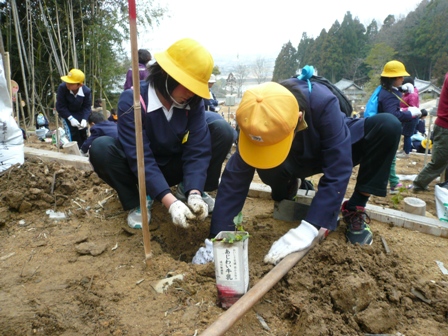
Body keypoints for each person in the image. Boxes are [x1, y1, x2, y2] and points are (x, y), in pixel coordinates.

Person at [192, 79, 402, 265]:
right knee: (277, 186)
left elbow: (338, 167)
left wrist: (310, 227)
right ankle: (288, 187)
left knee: (388, 126)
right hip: (289, 159)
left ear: (299, 118)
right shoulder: (256, 113)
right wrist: (217, 236)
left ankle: (355, 207)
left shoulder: (322, 102)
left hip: (324, 146)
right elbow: (234, 177)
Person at [89, 38, 235, 229]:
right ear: (167, 75)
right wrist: (170, 203)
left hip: (174, 164)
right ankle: (139, 200)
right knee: (101, 148)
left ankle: (186, 189)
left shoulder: (193, 103)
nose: (191, 93)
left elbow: (197, 148)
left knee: (221, 129)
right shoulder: (133, 101)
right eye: (187, 85)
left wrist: (195, 191)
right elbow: (140, 156)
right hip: (139, 169)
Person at [376, 60, 421, 194]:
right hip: (386, 131)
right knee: (390, 157)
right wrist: (410, 114)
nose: (402, 79)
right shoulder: (389, 95)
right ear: (392, 78)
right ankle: (393, 184)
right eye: (400, 77)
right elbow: (392, 114)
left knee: (386, 157)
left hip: (381, 128)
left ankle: (389, 182)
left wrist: (402, 90)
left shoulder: (386, 90)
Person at [412, 72, 448, 192]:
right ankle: (419, 184)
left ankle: (445, 184)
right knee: (439, 161)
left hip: (444, 126)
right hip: (445, 127)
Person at [56, 68, 92, 149]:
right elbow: (60, 106)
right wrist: (70, 118)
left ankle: (83, 150)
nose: (67, 84)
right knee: (72, 133)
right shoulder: (62, 88)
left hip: (80, 113)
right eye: (67, 82)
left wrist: (84, 119)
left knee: (82, 132)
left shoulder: (86, 91)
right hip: (66, 113)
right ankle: (73, 151)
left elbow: (87, 107)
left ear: (80, 85)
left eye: (71, 83)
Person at [397, 76, 420, 158]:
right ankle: (404, 150)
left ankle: (406, 152)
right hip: (407, 117)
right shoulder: (409, 93)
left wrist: (403, 109)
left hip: (411, 117)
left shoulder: (412, 95)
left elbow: (413, 107)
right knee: (405, 134)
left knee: (407, 135)